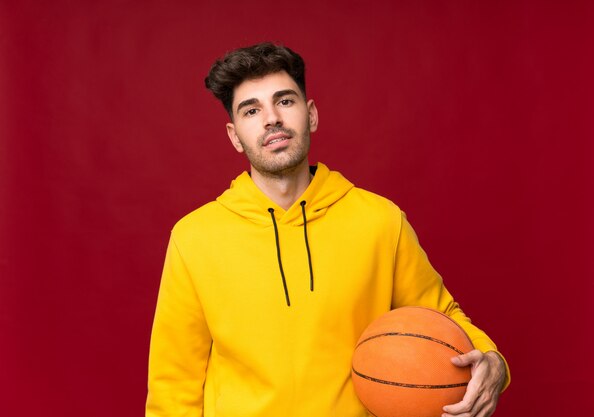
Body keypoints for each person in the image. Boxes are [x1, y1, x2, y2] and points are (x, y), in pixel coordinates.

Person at [146, 42, 510, 417]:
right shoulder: (194, 237)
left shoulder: (380, 220)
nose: (271, 118)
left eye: (284, 101)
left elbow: (443, 316)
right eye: (251, 110)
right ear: (235, 135)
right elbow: (173, 384)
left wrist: (493, 361)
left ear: (312, 114)